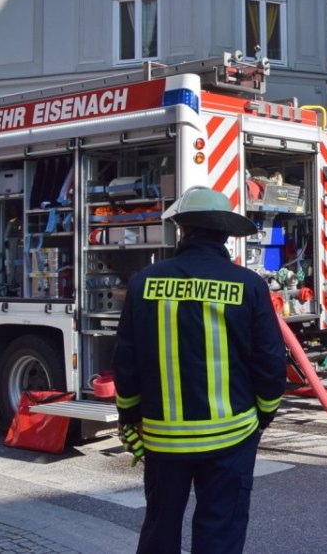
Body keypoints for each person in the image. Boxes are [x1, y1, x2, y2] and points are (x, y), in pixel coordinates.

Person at [114, 186, 286, 554]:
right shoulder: (249, 285)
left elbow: (125, 361)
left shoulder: (144, 282)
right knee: (220, 530)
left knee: (160, 526)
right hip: (231, 436)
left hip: (162, 438)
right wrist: (264, 415)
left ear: (183, 229)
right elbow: (270, 361)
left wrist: (129, 417)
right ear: (225, 234)